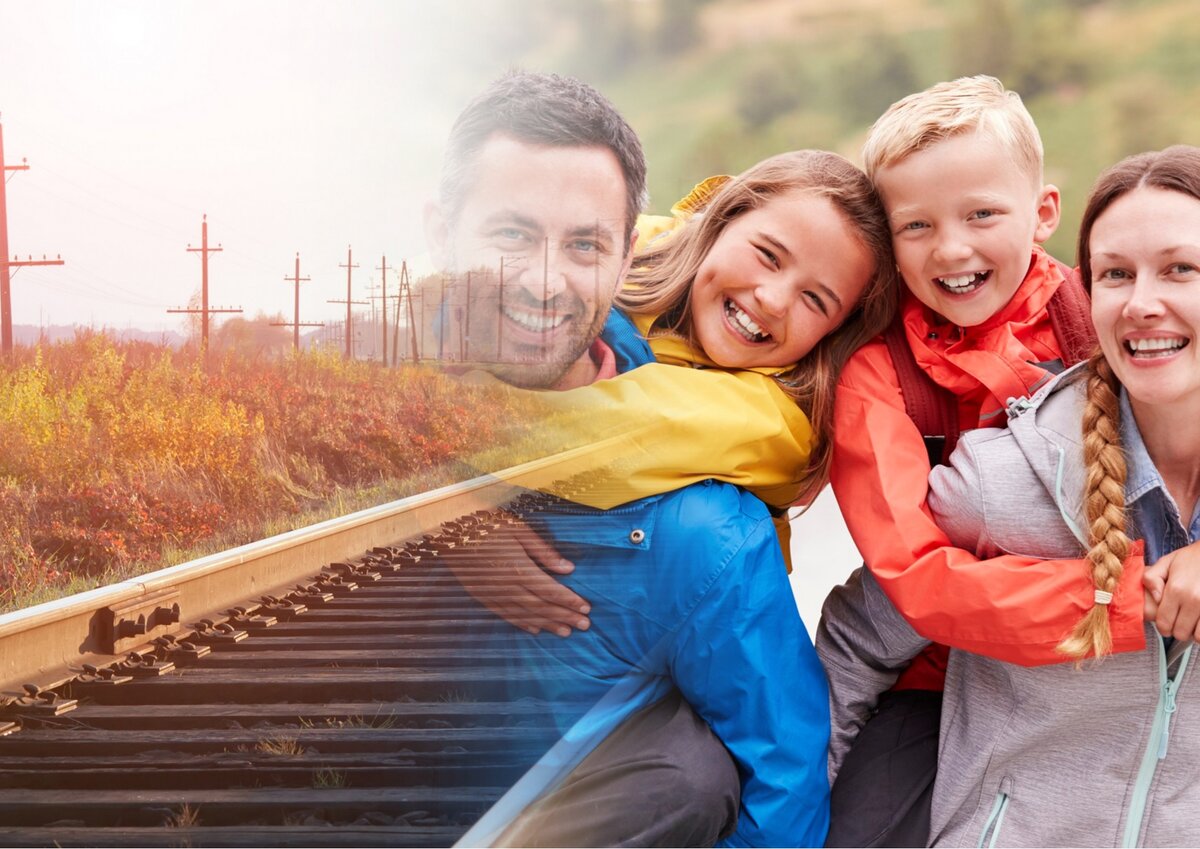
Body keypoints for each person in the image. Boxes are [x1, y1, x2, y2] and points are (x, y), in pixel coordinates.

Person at [423, 69, 895, 847]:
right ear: (716, 224)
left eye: (816, 300)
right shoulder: (610, 282)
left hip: (649, 662)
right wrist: (447, 506)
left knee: (690, 772)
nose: (773, 299)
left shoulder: (751, 437)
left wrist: (439, 485)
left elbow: (786, 755)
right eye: (768, 255)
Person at [817, 76, 1200, 846]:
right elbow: (911, 583)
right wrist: (1122, 598)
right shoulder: (881, 377)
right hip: (931, 676)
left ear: (1042, 215)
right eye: (916, 225)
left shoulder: (1098, 309)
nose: (953, 247)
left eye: (982, 214)